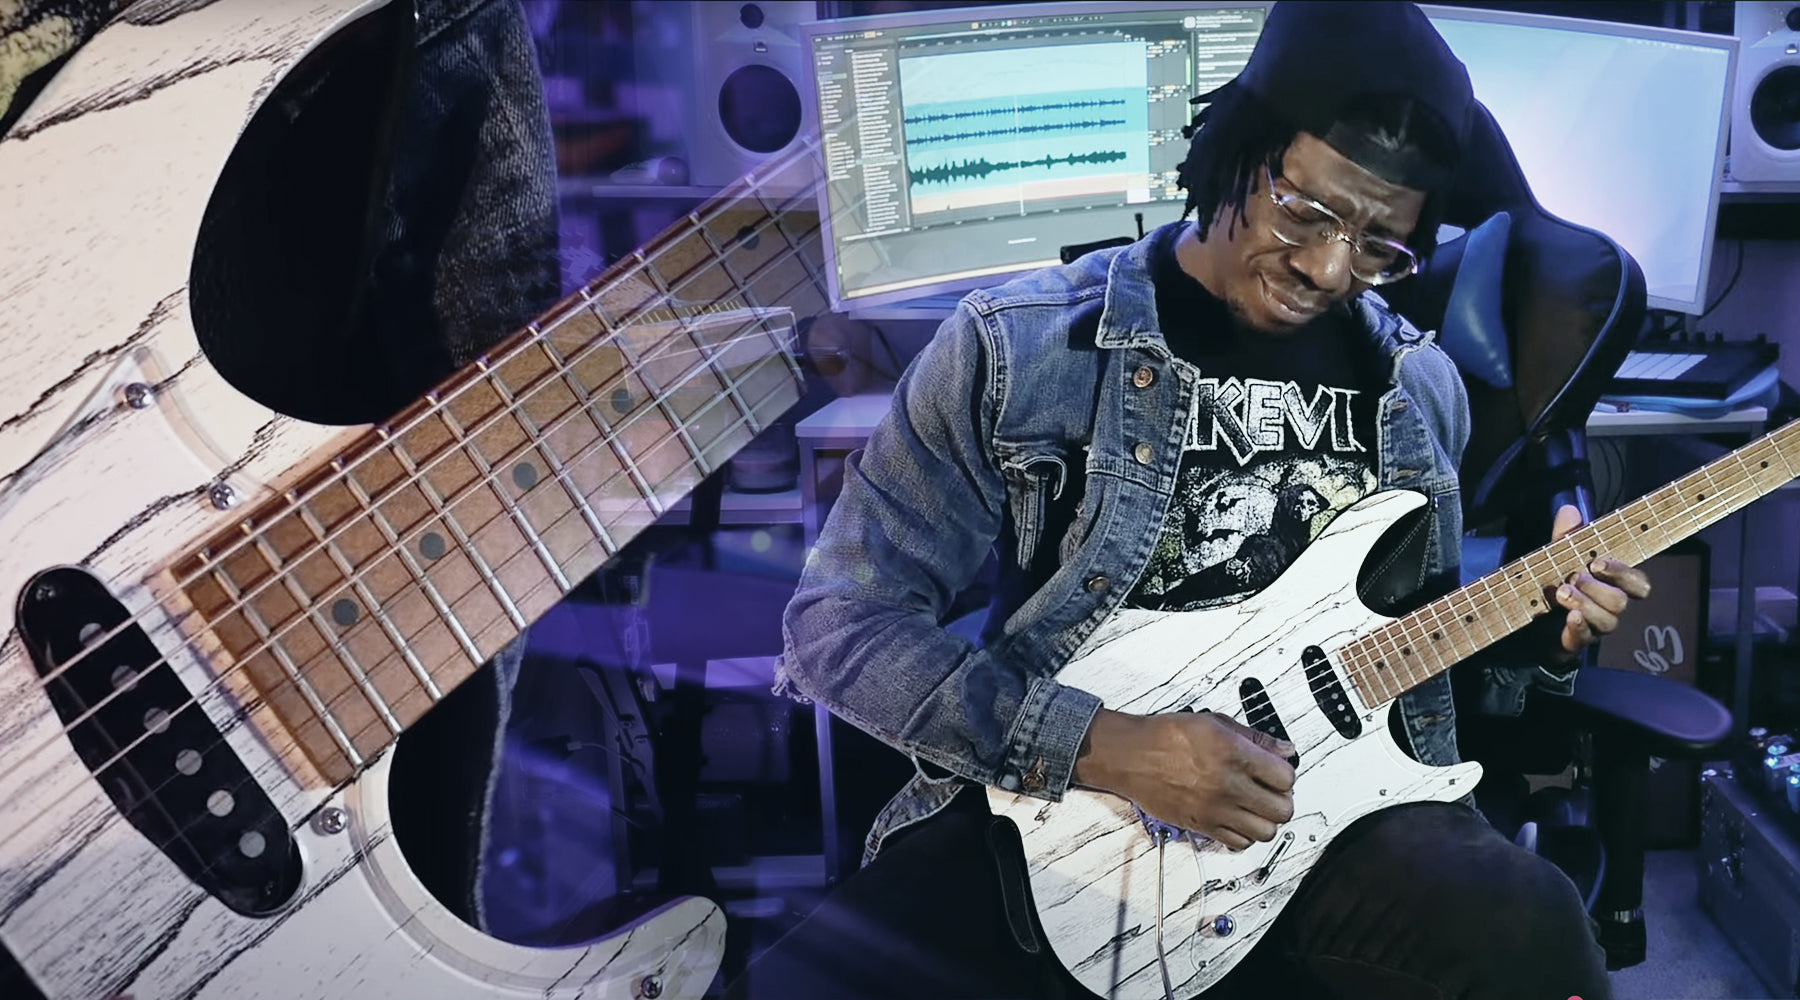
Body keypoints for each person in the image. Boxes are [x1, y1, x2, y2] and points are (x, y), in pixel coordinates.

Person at [732, 2, 1653, 998]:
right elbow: (837, 625)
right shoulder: (1021, 346)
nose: (1329, 269)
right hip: (1059, 814)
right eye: (1307, 213)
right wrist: (1108, 748)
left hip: (1329, 823)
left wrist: (1540, 637)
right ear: (1235, 149)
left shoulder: (1419, 390)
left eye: (1380, 245)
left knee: (1536, 931)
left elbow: (1421, 685)